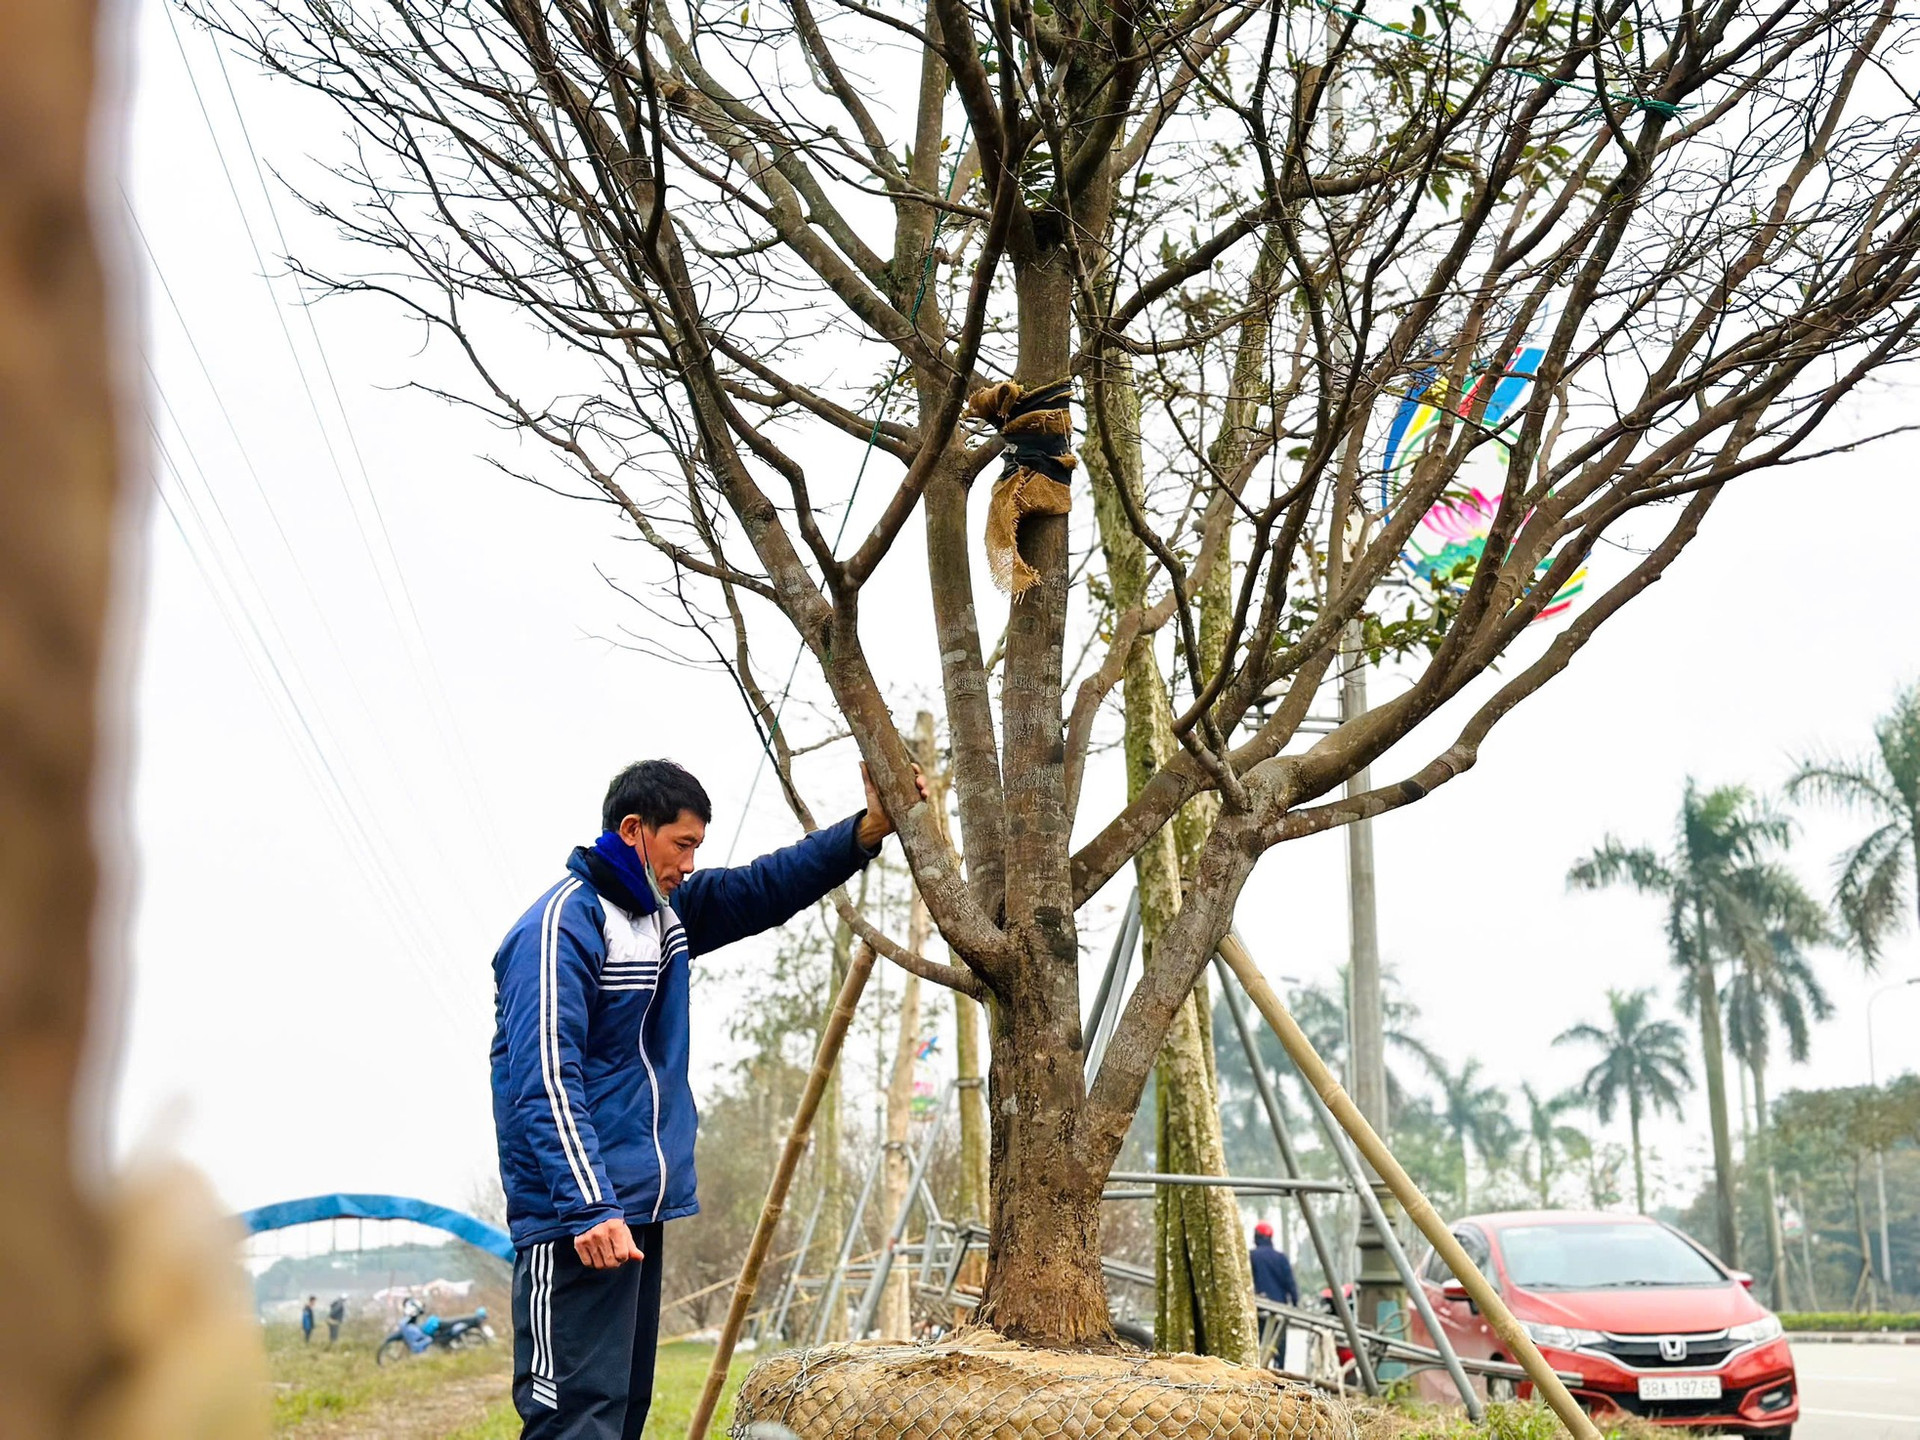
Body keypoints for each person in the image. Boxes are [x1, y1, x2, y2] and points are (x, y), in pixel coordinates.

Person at [492, 758, 920, 1439]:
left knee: (619, 1414)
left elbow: (763, 887)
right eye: (681, 845)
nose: (690, 864)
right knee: (573, 1421)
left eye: (697, 848)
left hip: (631, 1210)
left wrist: (866, 830)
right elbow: (545, 1078)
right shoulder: (560, 928)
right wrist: (589, 1207)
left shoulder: (666, 914)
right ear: (634, 830)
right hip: (576, 1220)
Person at [1250, 1221, 1299, 1368]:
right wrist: (1295, 1302)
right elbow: (1290, 1283)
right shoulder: (1280, 1258)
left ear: (1256, 1237)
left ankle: (1257, 1371)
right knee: (1279, 1343)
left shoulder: (1251, 1256)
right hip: (1279, 1308)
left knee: (1259, 1343)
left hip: (1258, 1309)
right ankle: (1280, 1370)